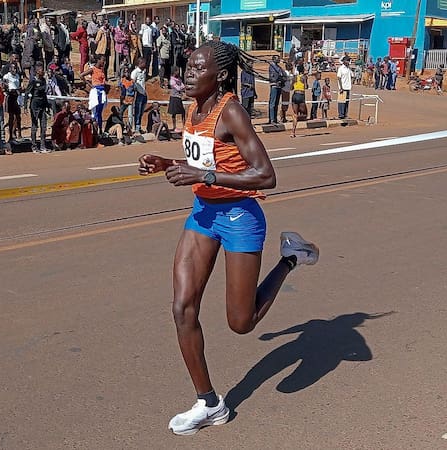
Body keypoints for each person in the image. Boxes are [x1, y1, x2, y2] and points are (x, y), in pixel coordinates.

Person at [136, 40, 319, 436]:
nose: (188, 73)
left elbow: (266, 175)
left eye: (196, 68)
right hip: (203, 214)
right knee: (183, 309)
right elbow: (207, 162)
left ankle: (290, 257)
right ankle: (209, 403)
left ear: (218, 76)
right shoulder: (193, 108)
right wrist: (168, 164)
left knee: (241, 322)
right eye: (187, 65)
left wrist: (204, 177)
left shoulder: (231, 112)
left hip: (239, 217)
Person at [25, 62, 50, 153]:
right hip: (34, 105)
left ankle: (43, 146)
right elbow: (27, 93)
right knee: (35, 126)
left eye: (42, 69)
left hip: (42, 104)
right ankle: (34, 146)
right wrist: (25, 106)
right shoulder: (33, 81)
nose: (42, 71)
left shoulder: (43, 80)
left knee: (43, 126)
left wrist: (47, 105)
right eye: (40, 70)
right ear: (36, 71)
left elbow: (44, 94)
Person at [79, 56, 108, 130]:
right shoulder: (92, 69)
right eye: (103, 60)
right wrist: (90, 85)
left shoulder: (102, 69)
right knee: (95, 112)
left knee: (100, 112)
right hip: (96, 91)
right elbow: (81, 75)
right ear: (98, 60)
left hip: (102, 91)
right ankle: (94, 130)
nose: (104, 62)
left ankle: (100, 130)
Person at [3, 53, 24, 144]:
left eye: (15, 68)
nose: (14, 69)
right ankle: (11, 135)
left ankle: (19, 133)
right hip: (10, 97)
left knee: (18, 116)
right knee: (11, 116)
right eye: (12, 68)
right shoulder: (6, 76)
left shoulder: (17, 76)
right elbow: (4, 86)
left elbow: (20, 84)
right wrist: (8, 91)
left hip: (17, 96)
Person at [131, 57, 148, 134]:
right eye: (143, 63)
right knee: (137, 111)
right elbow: (133, 83)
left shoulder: (144, 72)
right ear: (139, 63)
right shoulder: (135, 72)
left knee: (141, 111)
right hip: (138, 94)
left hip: (143, 93)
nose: (145, 64)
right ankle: (136, 127)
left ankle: (139, 126)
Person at [289, 70, 307, 138]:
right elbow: (306, 87)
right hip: (301, 95)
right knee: (305, 114)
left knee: (295, 114)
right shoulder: (304, 77)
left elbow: (291, 88)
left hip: (295, 94)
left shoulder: (295, 77)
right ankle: (299, 118)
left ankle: (293, 132)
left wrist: (294, 82)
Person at [267, 54, 284, 124]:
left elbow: (282, 74)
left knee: (276, 103)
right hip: (274, 86)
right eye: (278, 59)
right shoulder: (272, 67)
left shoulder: (278, 67)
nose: (279, 60)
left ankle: (275, 118)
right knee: (272, 103)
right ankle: (271, 119)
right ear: (274, 59)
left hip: (279, 86)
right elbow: (275, 76)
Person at [168, 67, 186, 132]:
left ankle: (184, 126)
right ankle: (174, 126)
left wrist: (182, 87)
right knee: (174, 113)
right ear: (174, 72)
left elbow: (183, 87)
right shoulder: (172, 80)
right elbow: (178, 88)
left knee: (182, 112)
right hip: (174, 97)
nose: (178, 72)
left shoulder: (178, 79)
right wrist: (181, 87)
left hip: (178, 97)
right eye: (177, 71)